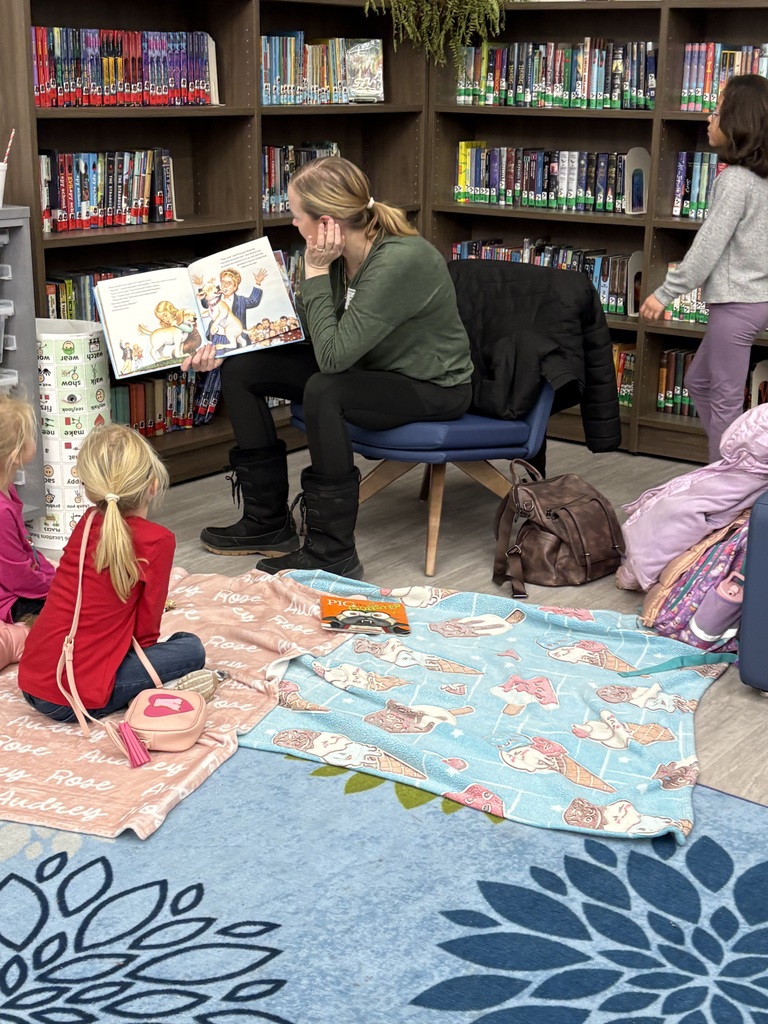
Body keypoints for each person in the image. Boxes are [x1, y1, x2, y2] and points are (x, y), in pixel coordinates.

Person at [185, 155, 474, 580]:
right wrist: (220, 341)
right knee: (242, 369)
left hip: (430, 385)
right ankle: (268, 523)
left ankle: (332, 551)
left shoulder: (400, 260)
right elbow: (309, 332)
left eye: (296, 216)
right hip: (368, 366)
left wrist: (316, 272)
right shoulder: (334, 255)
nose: (293, 226)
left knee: (325, 388)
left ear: (326, 222)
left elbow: (333, 358)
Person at [18, 425, 217, 722]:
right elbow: (146, 631)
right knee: (190, 648)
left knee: (168, 647)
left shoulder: (86, 523)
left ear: (89, 489)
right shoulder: (158, 540)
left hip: (32, 680)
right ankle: (145, 689)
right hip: (72, 696)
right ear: (152, 485)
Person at [639, 75, 768, 463]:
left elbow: (706, 249)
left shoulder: (735, 181)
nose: (708, 120)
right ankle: (735, 466)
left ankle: (728, 484)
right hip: (755, 300)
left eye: (715, 112)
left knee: (725, 400)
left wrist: (664, 294)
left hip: (736, 304)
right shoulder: (761, 180)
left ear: (738, 123)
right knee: (698, 382)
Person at [0, 393, 55, 625]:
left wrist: (53, 577)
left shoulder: (7, 489)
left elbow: (26, 548)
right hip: (10, 601)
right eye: (32, 435)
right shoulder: (1, 512)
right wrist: (54, 587)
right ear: (15, 454)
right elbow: (16, 576)